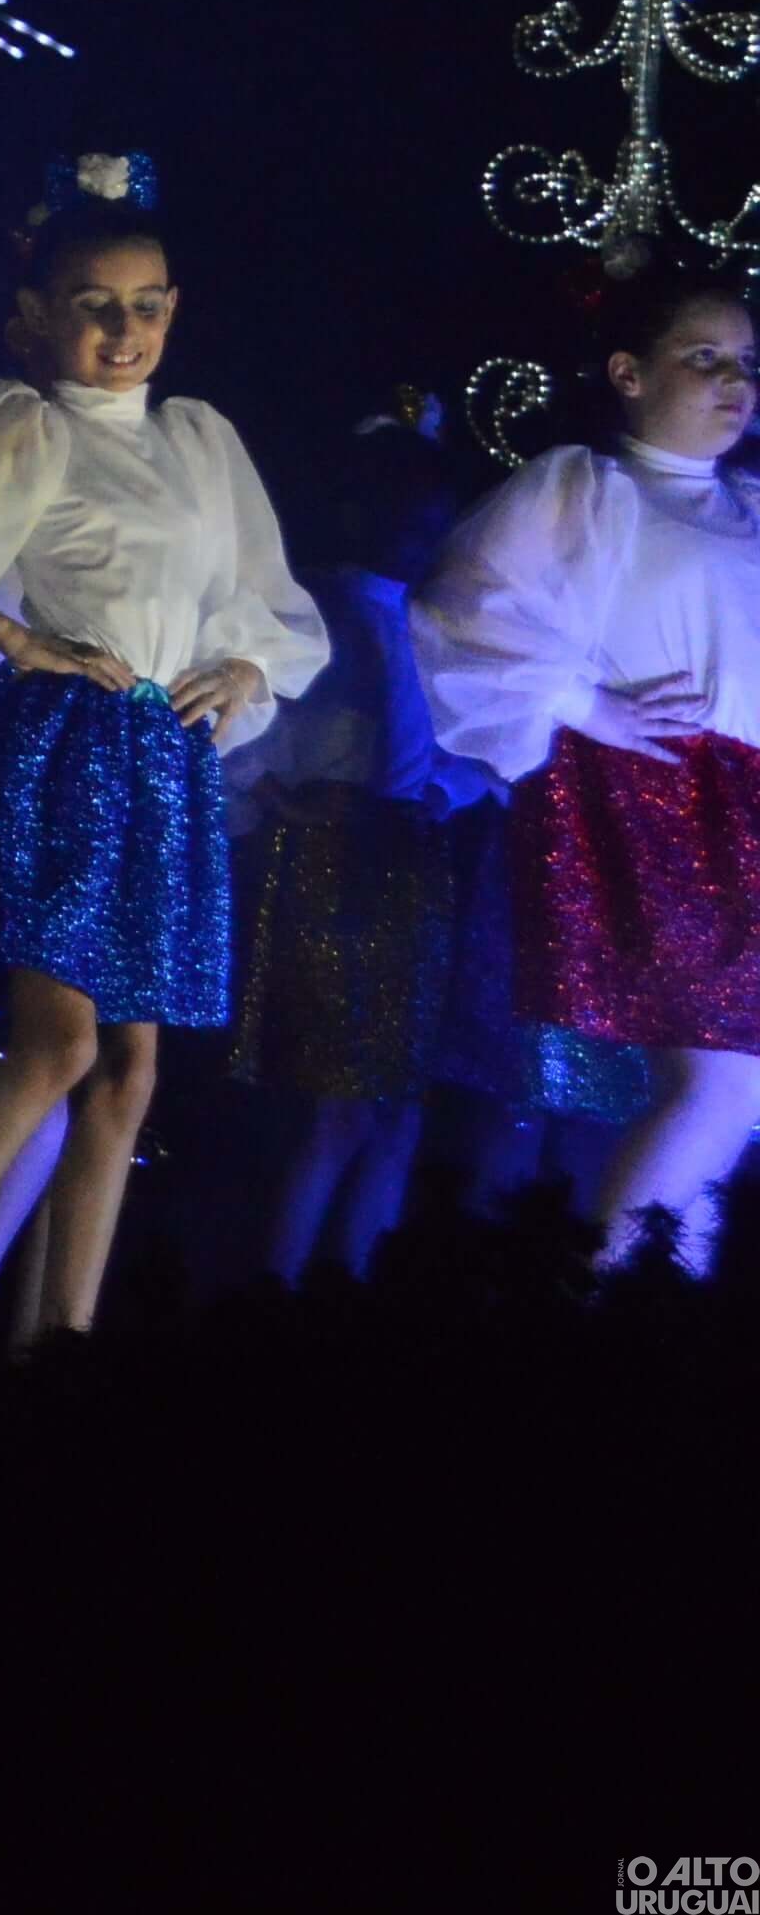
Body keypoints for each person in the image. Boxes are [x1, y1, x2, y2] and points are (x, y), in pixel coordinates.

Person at [0, 156, 323, 1338]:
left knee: (129, 1071)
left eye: (147, 303)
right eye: (95, 304)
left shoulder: (199, 440)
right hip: (68, 751)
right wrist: (8, 631)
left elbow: (261, 597)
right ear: (36, 316)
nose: (125, 328)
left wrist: (247, 667)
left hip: (161, 756)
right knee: (58, 1041)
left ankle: (59, 1337)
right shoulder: (27, 429)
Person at [413, 267, 760, 1271]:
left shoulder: (747, 504)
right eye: (704, 358)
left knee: (735, 1093)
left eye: (745, 362)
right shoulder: (588, 488)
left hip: (742, 807)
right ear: (630, 373)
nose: (734, 381)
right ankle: (611, 1313)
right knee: (719, 1084)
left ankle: (653, 1300)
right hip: (663, 805)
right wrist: (586, 705)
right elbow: (466, 610)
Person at [224, 404, 483, 1284]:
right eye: (401, 515)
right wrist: (267, 792)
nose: (417, 536)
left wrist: (442, 793)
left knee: (392, 1110)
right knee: (331, 1105)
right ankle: (279, 1295)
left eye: (431, 521)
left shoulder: (433, 621)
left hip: (408, 872)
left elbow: (474, 751)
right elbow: (248, 736)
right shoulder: (311, 613)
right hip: (330, 871)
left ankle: (354, 1290)